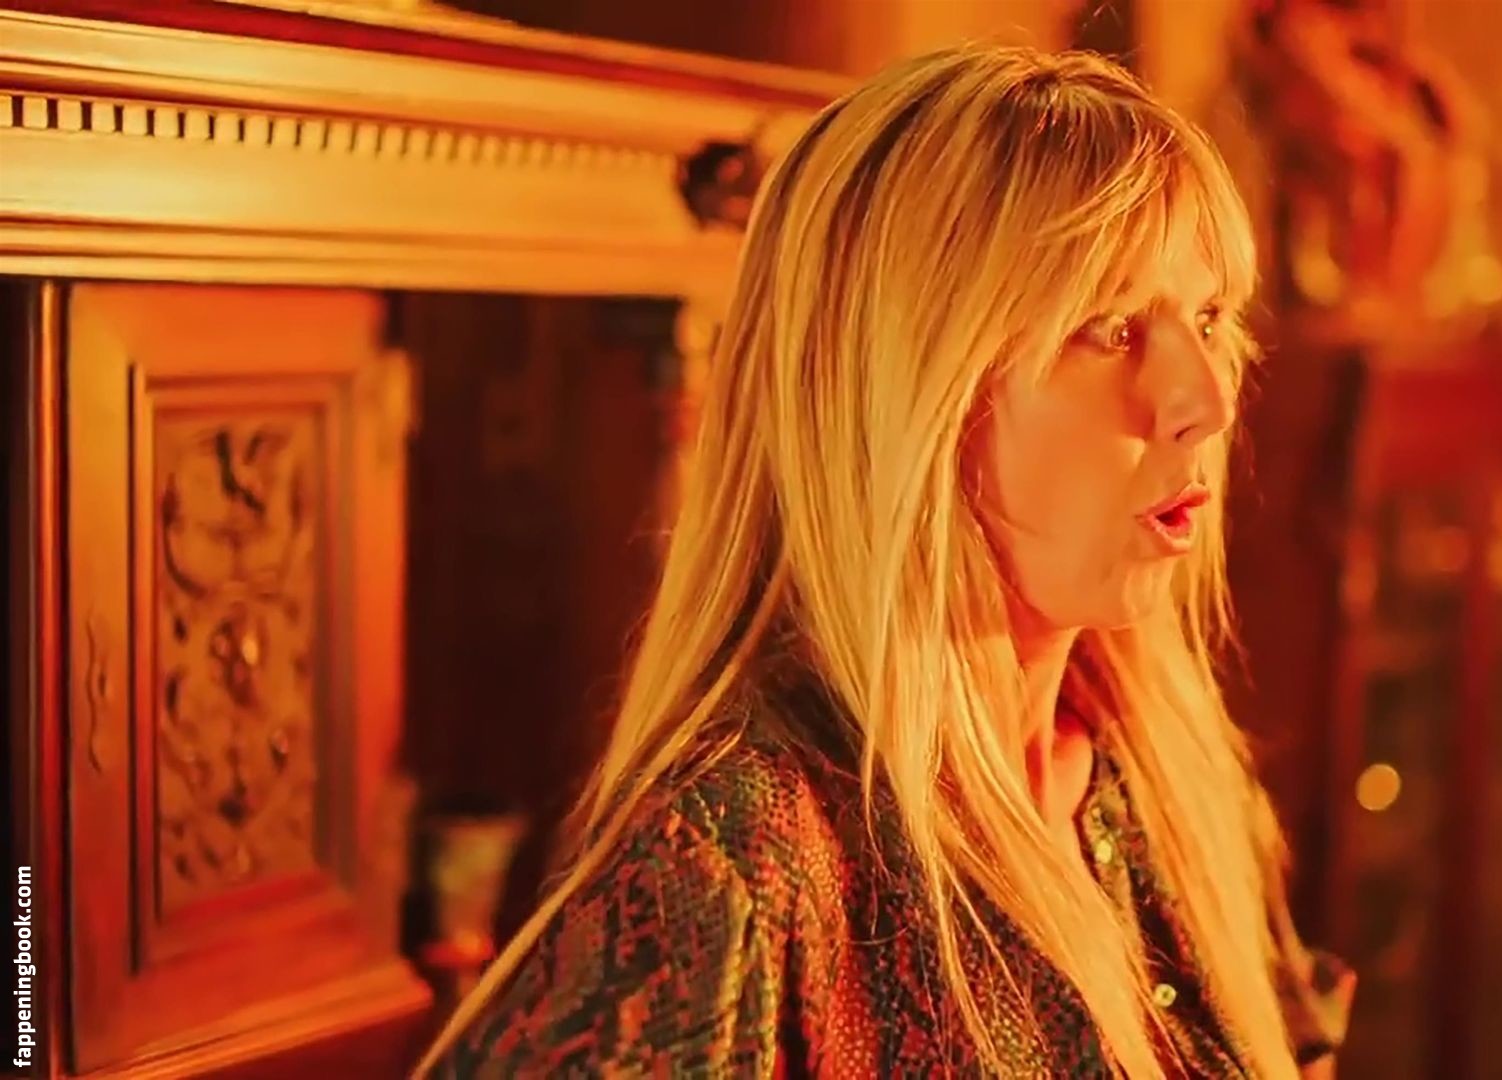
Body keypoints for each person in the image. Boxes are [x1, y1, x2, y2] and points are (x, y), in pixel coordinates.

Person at [413, 42, 1352, 1079]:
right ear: (909, 392)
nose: (1205, 399)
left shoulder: (1174, 781)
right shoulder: (731, 872)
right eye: (1109, 327)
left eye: (1211, 318)